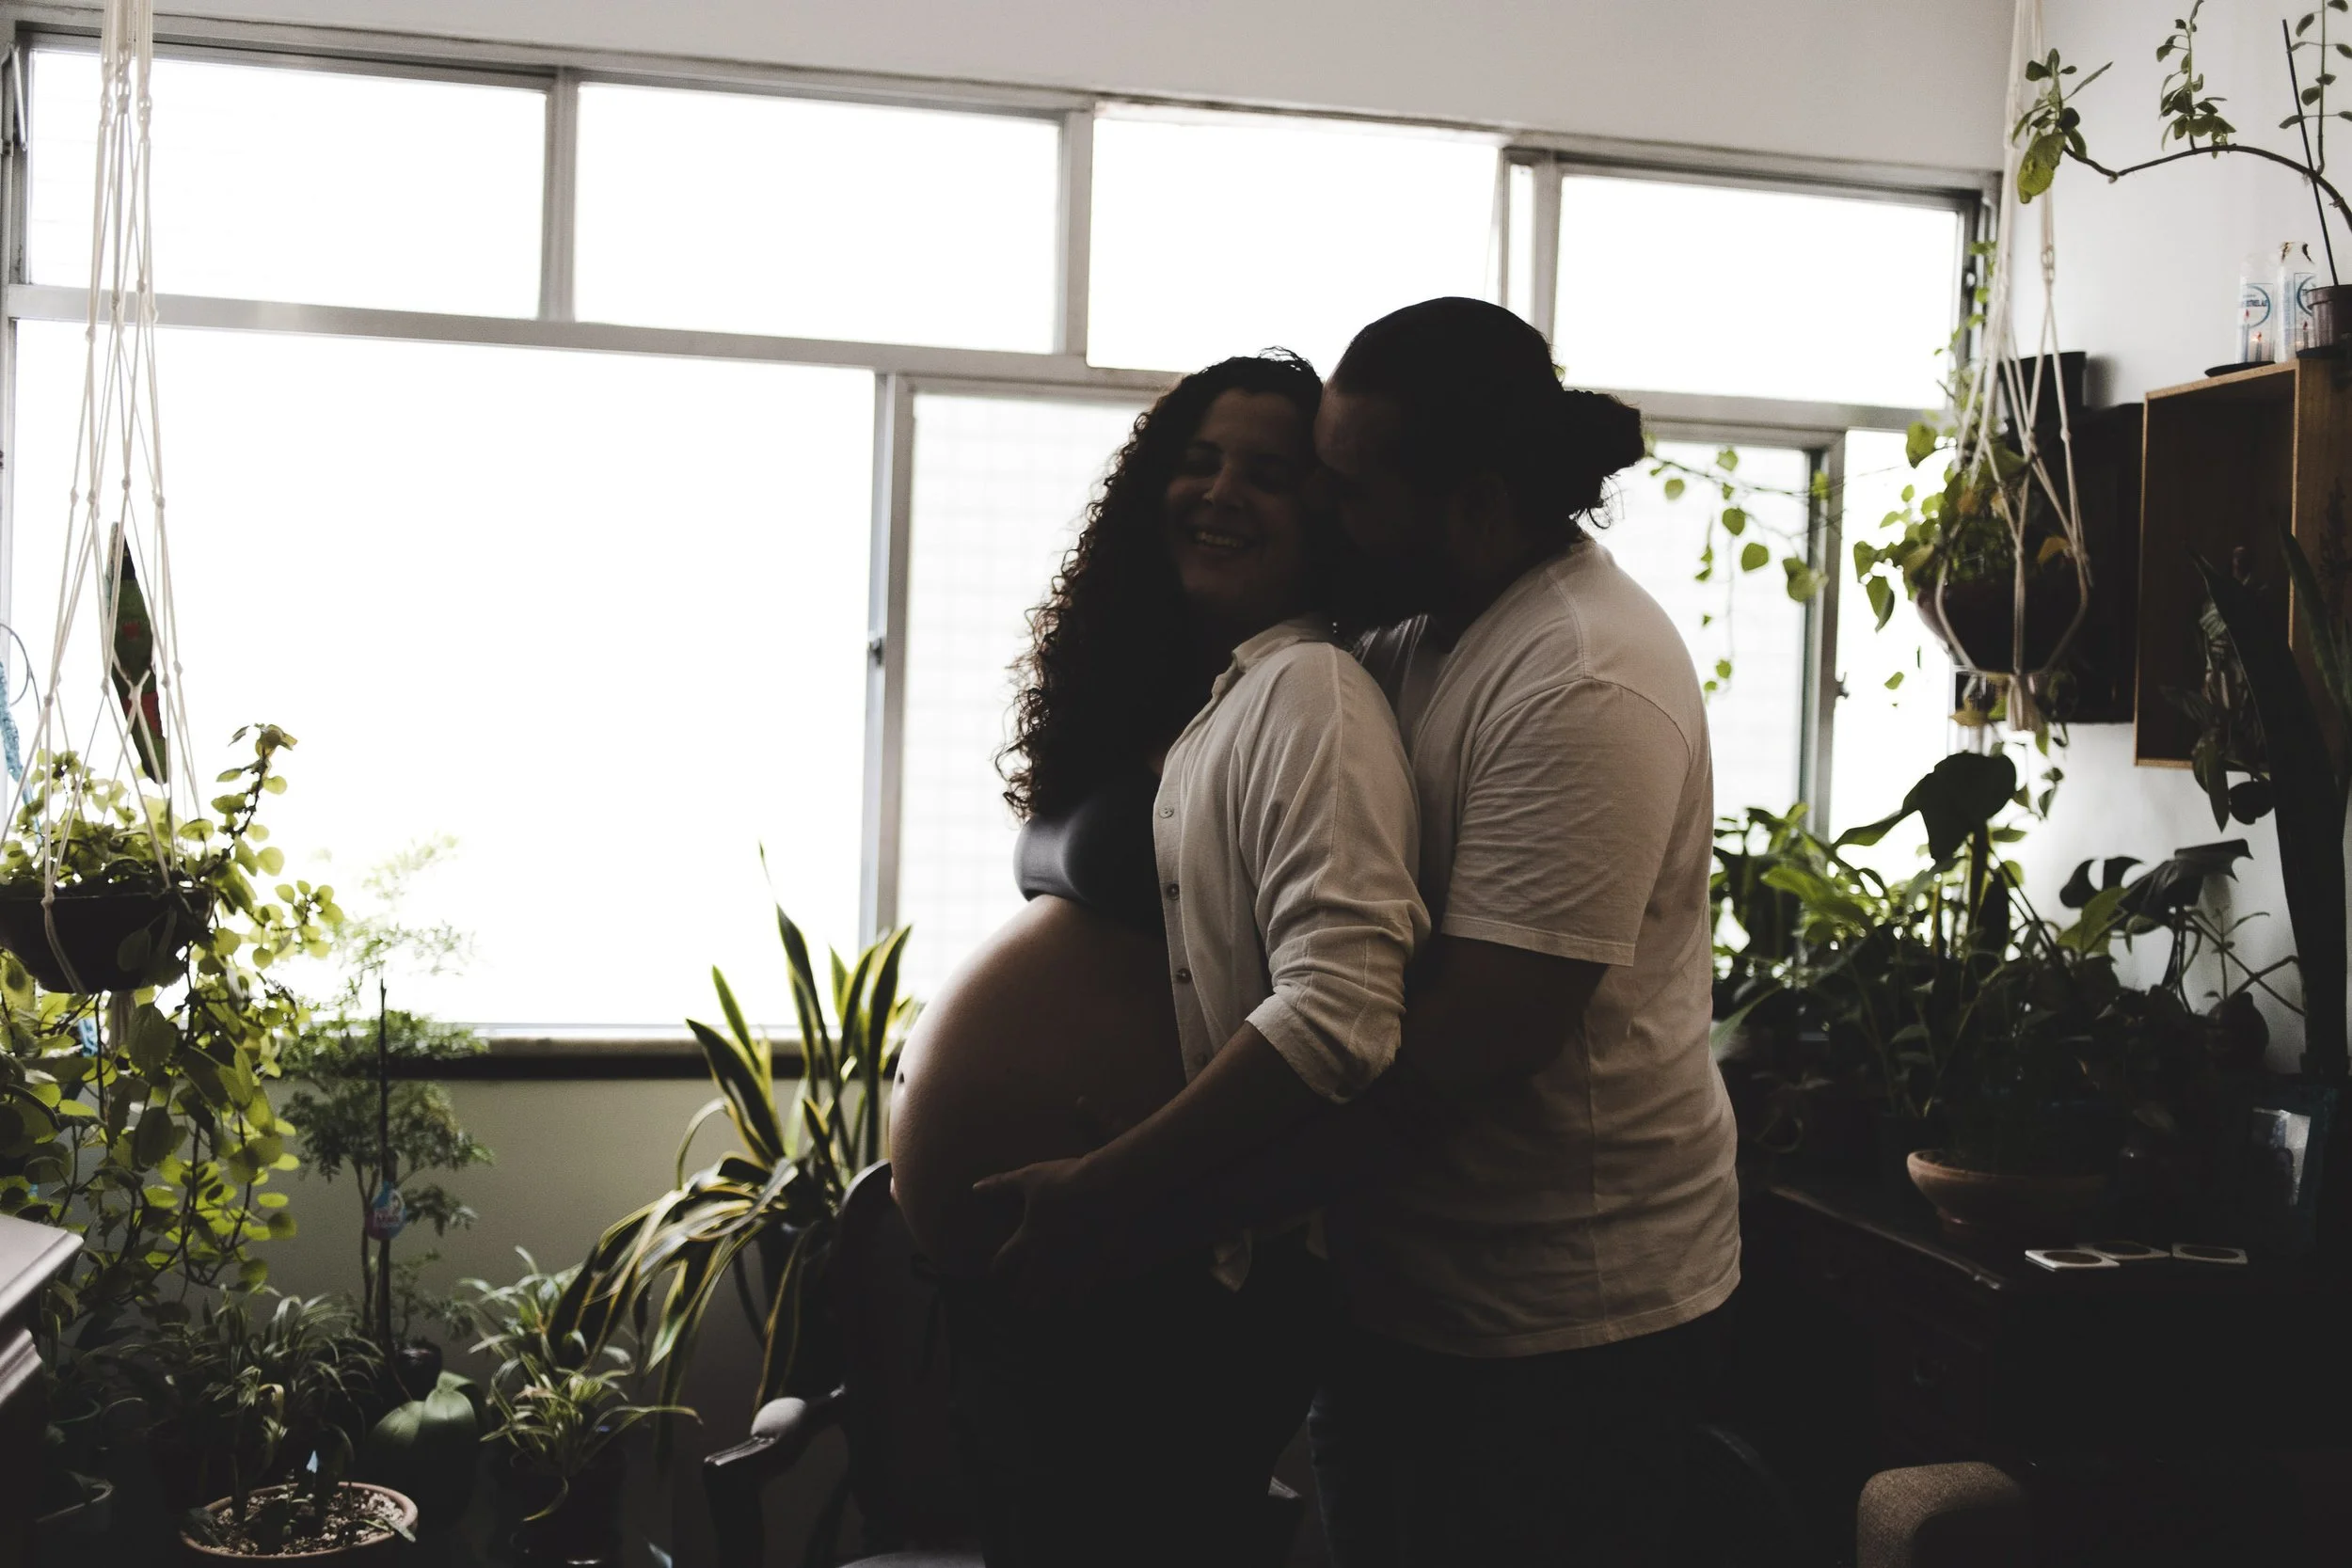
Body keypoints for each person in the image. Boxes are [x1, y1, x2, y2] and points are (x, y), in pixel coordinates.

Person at [986, 298, 1740, 1567]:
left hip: (1560, 1328)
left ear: (1480, 506)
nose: (1326, 518)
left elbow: (1448, 1064)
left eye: (1344, 490)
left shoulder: (1581, 676)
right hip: (1400, 1291)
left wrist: (1132, 1202)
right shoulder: (1406, 628)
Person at [891, 349, 1425, 1568]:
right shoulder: (1190, 696)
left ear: (1328, 513)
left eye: (1270, 475)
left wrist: (1113, 1185)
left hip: (1163, 1274)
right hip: (1071, 1278)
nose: (1222, 491)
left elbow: (1343, 1013)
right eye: (1198, 461)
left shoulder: (1311, 693)